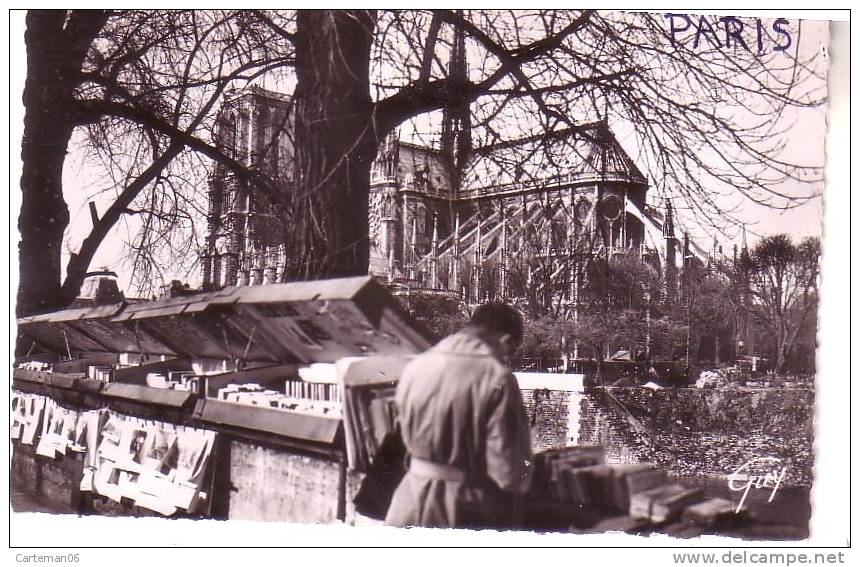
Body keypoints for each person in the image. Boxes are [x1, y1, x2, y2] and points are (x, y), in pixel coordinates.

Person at [384, 302, 533, 529]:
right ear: (506, 341)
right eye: (509, 353)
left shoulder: (417, 365)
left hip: (408, 499)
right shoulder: (497, 377)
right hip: (461, 507)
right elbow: (509, 472)